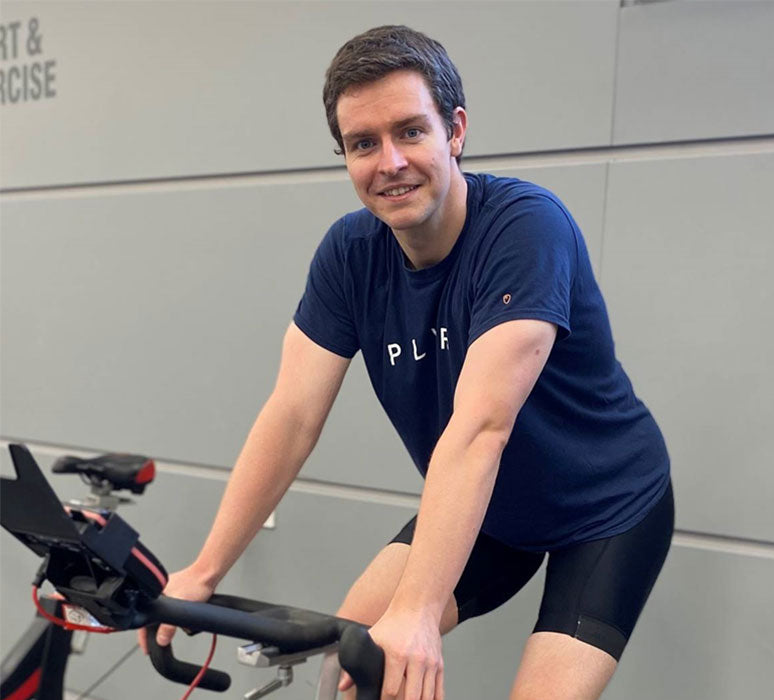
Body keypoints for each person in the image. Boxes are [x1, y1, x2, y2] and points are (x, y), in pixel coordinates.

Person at [140, 25, 674, 700]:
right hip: (491, 512)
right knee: (351, 666)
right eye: (364, 143)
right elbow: (292, 416)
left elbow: (480, 431)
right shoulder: (350, 254)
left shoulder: (525, 229)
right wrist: (205, 569)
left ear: (455, 131)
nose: (389, 162)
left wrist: (418, 613)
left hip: (605, 510)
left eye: (410, 132)